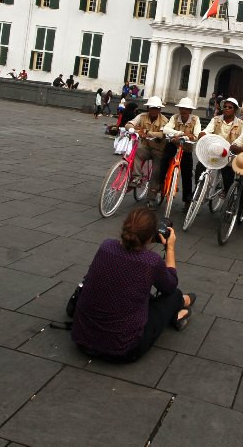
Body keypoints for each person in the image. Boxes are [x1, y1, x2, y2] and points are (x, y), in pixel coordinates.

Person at [71, 208, 194, 362]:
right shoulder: (151, 261)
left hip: (82, 339)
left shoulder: (106, 246)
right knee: (174, 295)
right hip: (123, 349)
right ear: (151, 236)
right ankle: (180, 307)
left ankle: (181, 304)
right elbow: (170, 286)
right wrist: (169, 248)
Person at [126, 96, 167, 206]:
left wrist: (147, 132)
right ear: (148, 108)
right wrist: (134, 129)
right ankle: (137, 177)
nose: (154, 110)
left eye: (156, 108)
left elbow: (163, 134)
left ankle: (151, 197)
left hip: (158, 150)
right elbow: (129, 124)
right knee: (137, 151)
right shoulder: (142, 116)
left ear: (160, 110)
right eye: (152, 108)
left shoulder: (164, 120)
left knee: (156, 172)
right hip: (146, 147)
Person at [198, 96, 243, 192]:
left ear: (235, 110)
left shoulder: (241, 124)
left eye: (230, 107)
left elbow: (241, 140)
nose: (226, 109)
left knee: (228, 177)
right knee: (200, 166)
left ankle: (226, 194)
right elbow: (207, 130)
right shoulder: (215, 120)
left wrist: (233, 146)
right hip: (215, 152)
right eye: (225, 107)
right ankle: (197, 188)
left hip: (229, 154)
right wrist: (203, 134)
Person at [161, 97, 202, 210]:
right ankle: (161, 184)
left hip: (186, 149)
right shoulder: (174, 118)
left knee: (187, 175)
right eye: (182, 108)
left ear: (190, 111)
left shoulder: (195, 119)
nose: (183, 111)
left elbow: (197, 134)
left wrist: (192, 136)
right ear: (179, 109)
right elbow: (166, 129)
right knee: (164, 161)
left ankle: (187, 201)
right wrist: (181, 133)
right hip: (173, 146)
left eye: (186, 109)